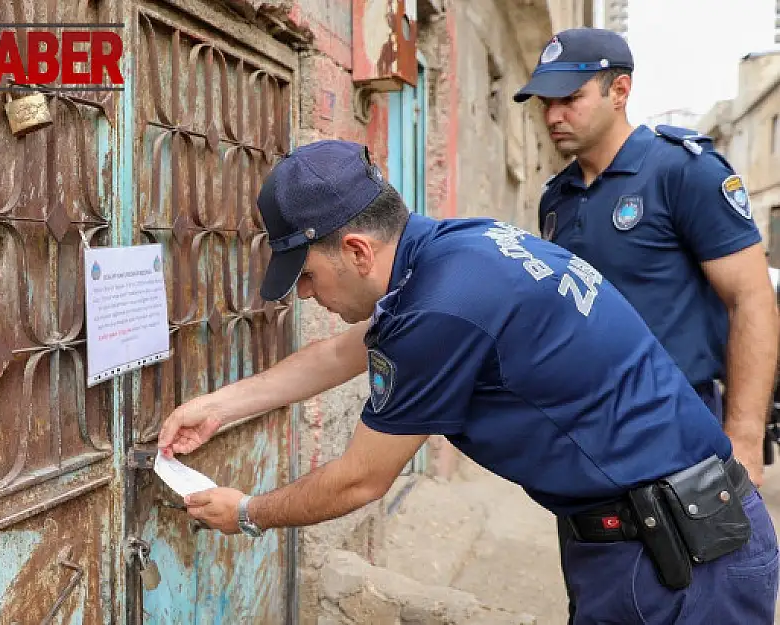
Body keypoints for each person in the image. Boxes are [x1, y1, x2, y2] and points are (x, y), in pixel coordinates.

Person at [157, 139, 779, 624]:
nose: (307, 295)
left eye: (307, 275)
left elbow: (360, 480)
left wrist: (247, 513)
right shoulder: (457, 248)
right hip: (658, 536)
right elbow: (350, 351)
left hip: (682, 561)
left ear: (355, 250)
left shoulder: (440, 309)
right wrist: (220, 404)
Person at [512, 27, 779, 489]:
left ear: (619, 91)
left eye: (569, 99)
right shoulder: (558, 198)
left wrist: (745, 439)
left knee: (690, 560)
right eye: (544, 104)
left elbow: (751, 299)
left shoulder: (681, 171)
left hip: (676, 419)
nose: (553, 116)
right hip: (586, 423)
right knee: (595, 560)